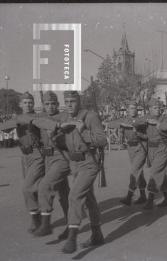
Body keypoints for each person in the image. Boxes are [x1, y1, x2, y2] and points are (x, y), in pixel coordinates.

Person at [57, 91, 107, 254]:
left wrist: (83, 129)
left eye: (73, 101)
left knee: (75, 195)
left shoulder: (90, 116)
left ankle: (72, 238)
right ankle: (97, 233)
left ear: (79, 102)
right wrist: (56, 136)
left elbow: (102, 140)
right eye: (67, 101)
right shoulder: (64, 117)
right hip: (74, 164)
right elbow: (62, 143)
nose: (69, 104)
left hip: (89, 163)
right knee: (89, 199)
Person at [0, 92, 45, 234]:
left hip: (38, 154)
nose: (28, 105)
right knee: (31, 188)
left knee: (27, 187)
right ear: (20, 105)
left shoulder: (39, 116)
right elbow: (4, 127)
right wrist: (17, 122)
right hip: (25, 156)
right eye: (25, 102)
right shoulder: (17, 118)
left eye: (30, 102)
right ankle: (35, 216)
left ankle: (37, 217)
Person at [30, 91, 70, 239]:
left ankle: (46, 225)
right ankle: (70, 226)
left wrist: (57, 132)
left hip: (61, 157)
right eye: (47, 104)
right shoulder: (41, 118)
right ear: (43, 105)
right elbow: (34, 121)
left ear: (58, 104)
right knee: (64, 195)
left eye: (53, 103)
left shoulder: (64, 117)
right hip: (48, 159)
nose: (51, 106)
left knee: (45, 186)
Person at [142, 98, 167, 210]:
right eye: (155, 108)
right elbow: (136, 123)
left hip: (163, 148)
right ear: (149, 109)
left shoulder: (165, 118)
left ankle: (150, 199)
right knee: (161, 173)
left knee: (155, 172)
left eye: (159, 107)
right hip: (151, 149)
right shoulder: (146, 117)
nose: (158, 109)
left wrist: (159, 123)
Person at [119, 101, 149, 206]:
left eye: (134, 108)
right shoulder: (124, 120)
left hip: (141, 147)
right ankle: (143, 195)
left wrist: (138, 133)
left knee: (134, 171)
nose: (133, 110)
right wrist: (122, 141)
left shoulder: (142, 120)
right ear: (127, 110)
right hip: (130, 148)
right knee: (139, 172)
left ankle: (129, 196)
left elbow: (147, 136)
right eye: (130, 108)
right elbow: (120, 129)